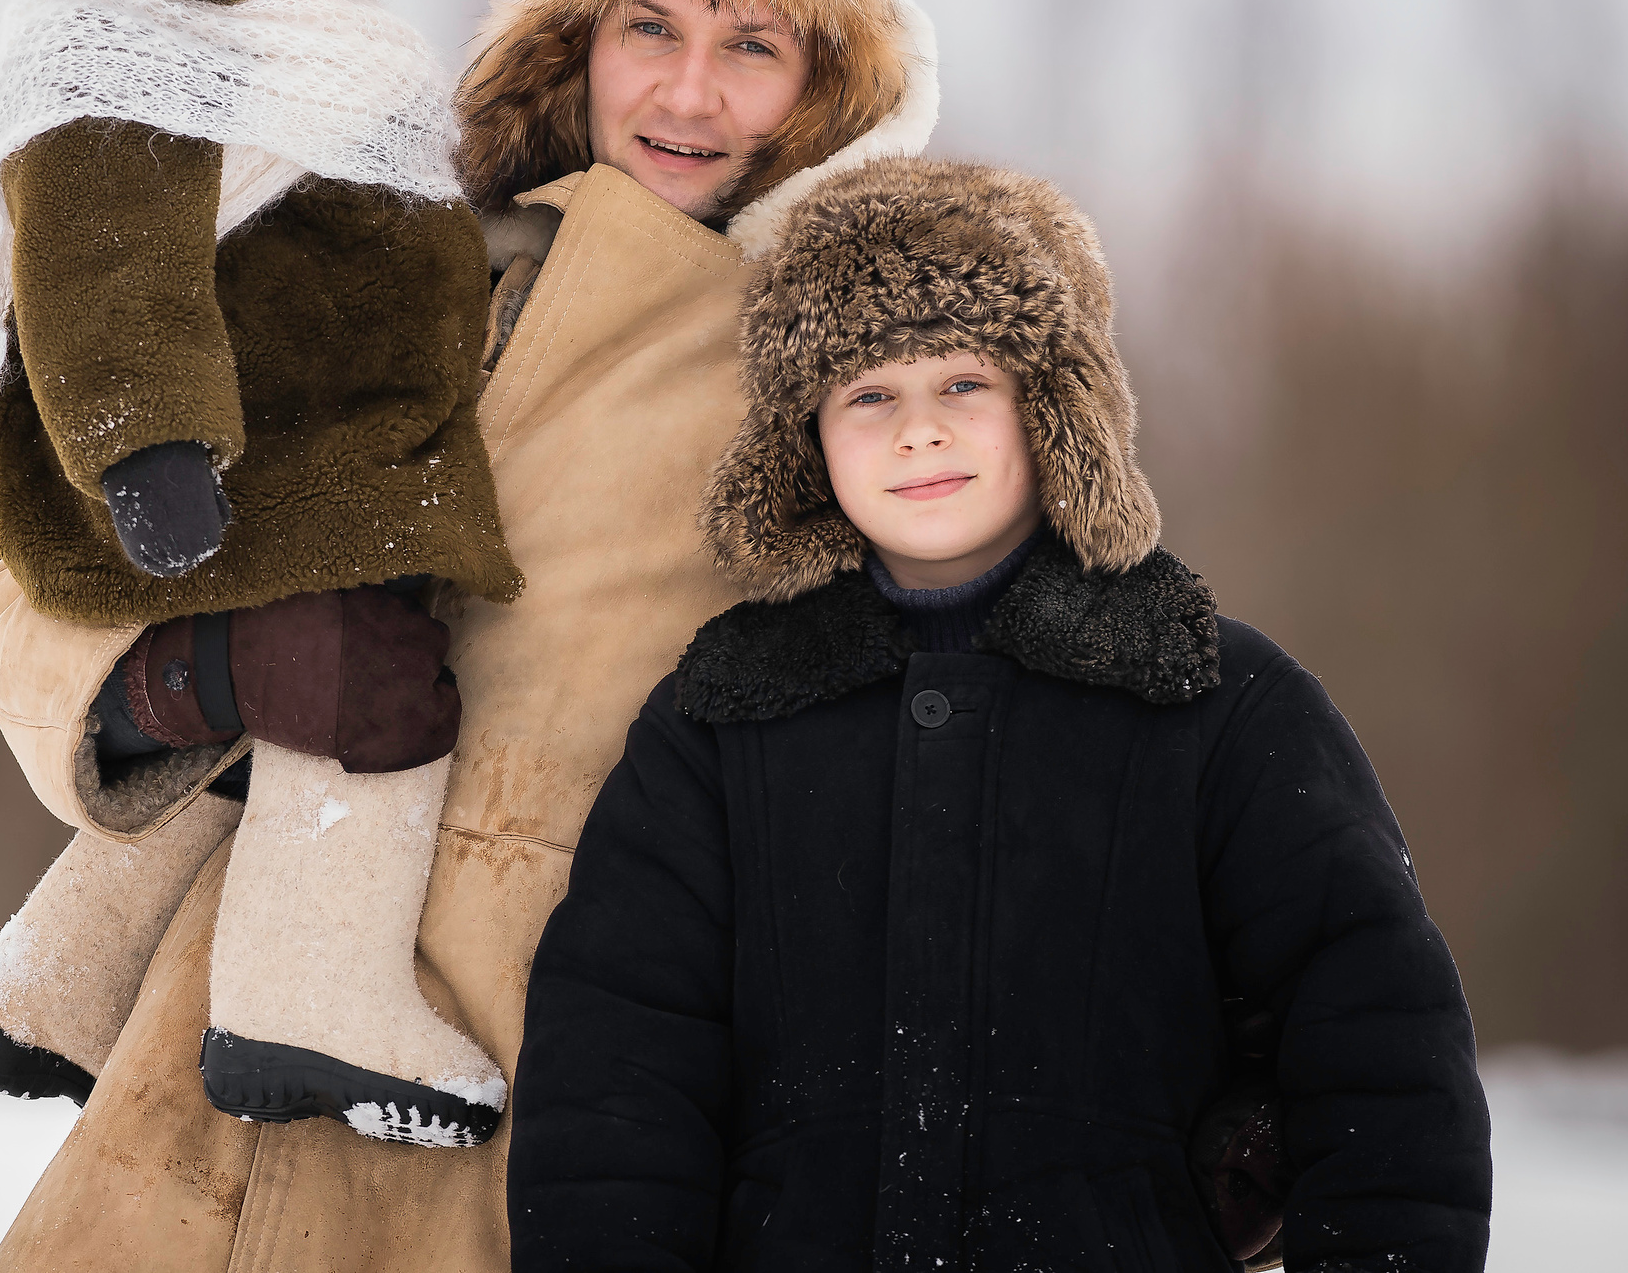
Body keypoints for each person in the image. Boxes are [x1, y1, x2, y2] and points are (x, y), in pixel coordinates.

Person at [0, 0, 939, 1272]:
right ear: (578, 42)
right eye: (651, 26)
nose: (689, 90)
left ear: (830, 80)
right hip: (191, 1123)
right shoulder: (397, 243)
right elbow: (50, 558)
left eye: (754, 42)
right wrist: (201, 672)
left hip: (546, 1140)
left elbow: (990, 739)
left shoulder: (854, 377)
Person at [507, 157, 1494, 1272]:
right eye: (867, 393)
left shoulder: (1217, 697)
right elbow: (613, 1078)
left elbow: (1378, 1037)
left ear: (1054, 408)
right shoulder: (718, 719)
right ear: (802, 441)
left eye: (963, 384)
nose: (917, 431)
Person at [0, 0, 522, 1143]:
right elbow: (106, 265)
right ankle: (308, 1000)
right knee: (372, 690)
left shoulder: (355, 65)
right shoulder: (133, 57)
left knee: (267, 724)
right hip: (208, 485)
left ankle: (53, 984)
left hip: (309, 475)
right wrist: (151, 443)